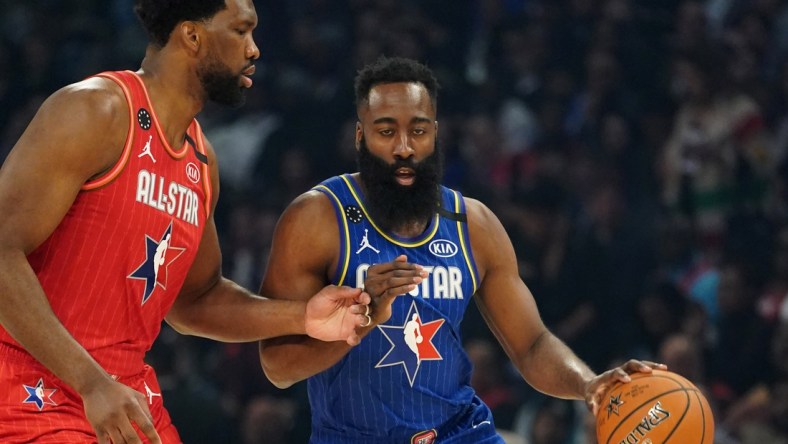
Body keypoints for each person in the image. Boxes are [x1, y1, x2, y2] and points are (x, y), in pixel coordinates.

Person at [0, 2, 420, 443]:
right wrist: (89, 382)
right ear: (192, 37)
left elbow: (195, 301)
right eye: (241, 31)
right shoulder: (94, 110)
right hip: (29, 392)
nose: (254, 49)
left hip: (120, 393)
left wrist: (304, 317)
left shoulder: (201, 161)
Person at [258, 56, 666, 443]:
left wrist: (588, 384)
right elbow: (277, 367)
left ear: (435, 132)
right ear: (360, 136)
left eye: (418, 130)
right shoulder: (318, 219)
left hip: (460, 433)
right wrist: (359, 323)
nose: (404, 147)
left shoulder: (474, 225)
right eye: (386, 131)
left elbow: (532, 345)